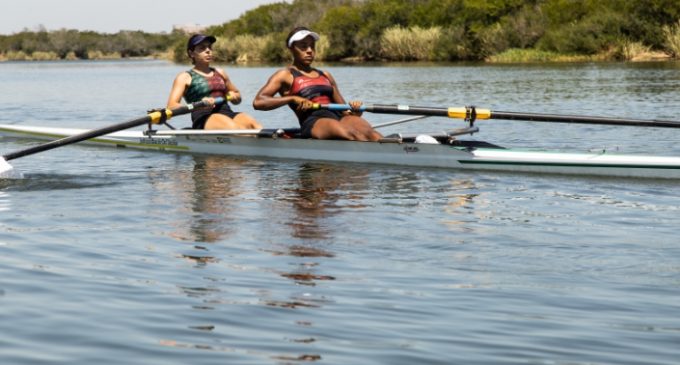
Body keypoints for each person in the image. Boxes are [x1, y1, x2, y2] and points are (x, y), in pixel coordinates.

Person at [253, 27, 381, 141]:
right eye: (303, 46)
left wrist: (355, 111)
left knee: (371, 133)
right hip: (314, 121)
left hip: (339, 117)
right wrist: (292, 98)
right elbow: (258, 102)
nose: (309, 51)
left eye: (312, 46)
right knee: (350, 133)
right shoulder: (285, 75)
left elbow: (344, 110)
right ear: (291, 48)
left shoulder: (325, 75)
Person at [167, 34, 262, 130]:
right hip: (203, 118)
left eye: (209, 47)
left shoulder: (220, 72)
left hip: (227, 113)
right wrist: (199, 105)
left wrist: (235, 97)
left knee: (255, 126)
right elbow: (171, 106)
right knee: (233, 127)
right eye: (202, 48)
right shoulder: (184, 77)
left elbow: (237, 97)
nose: (208, 50)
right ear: (191, 53)